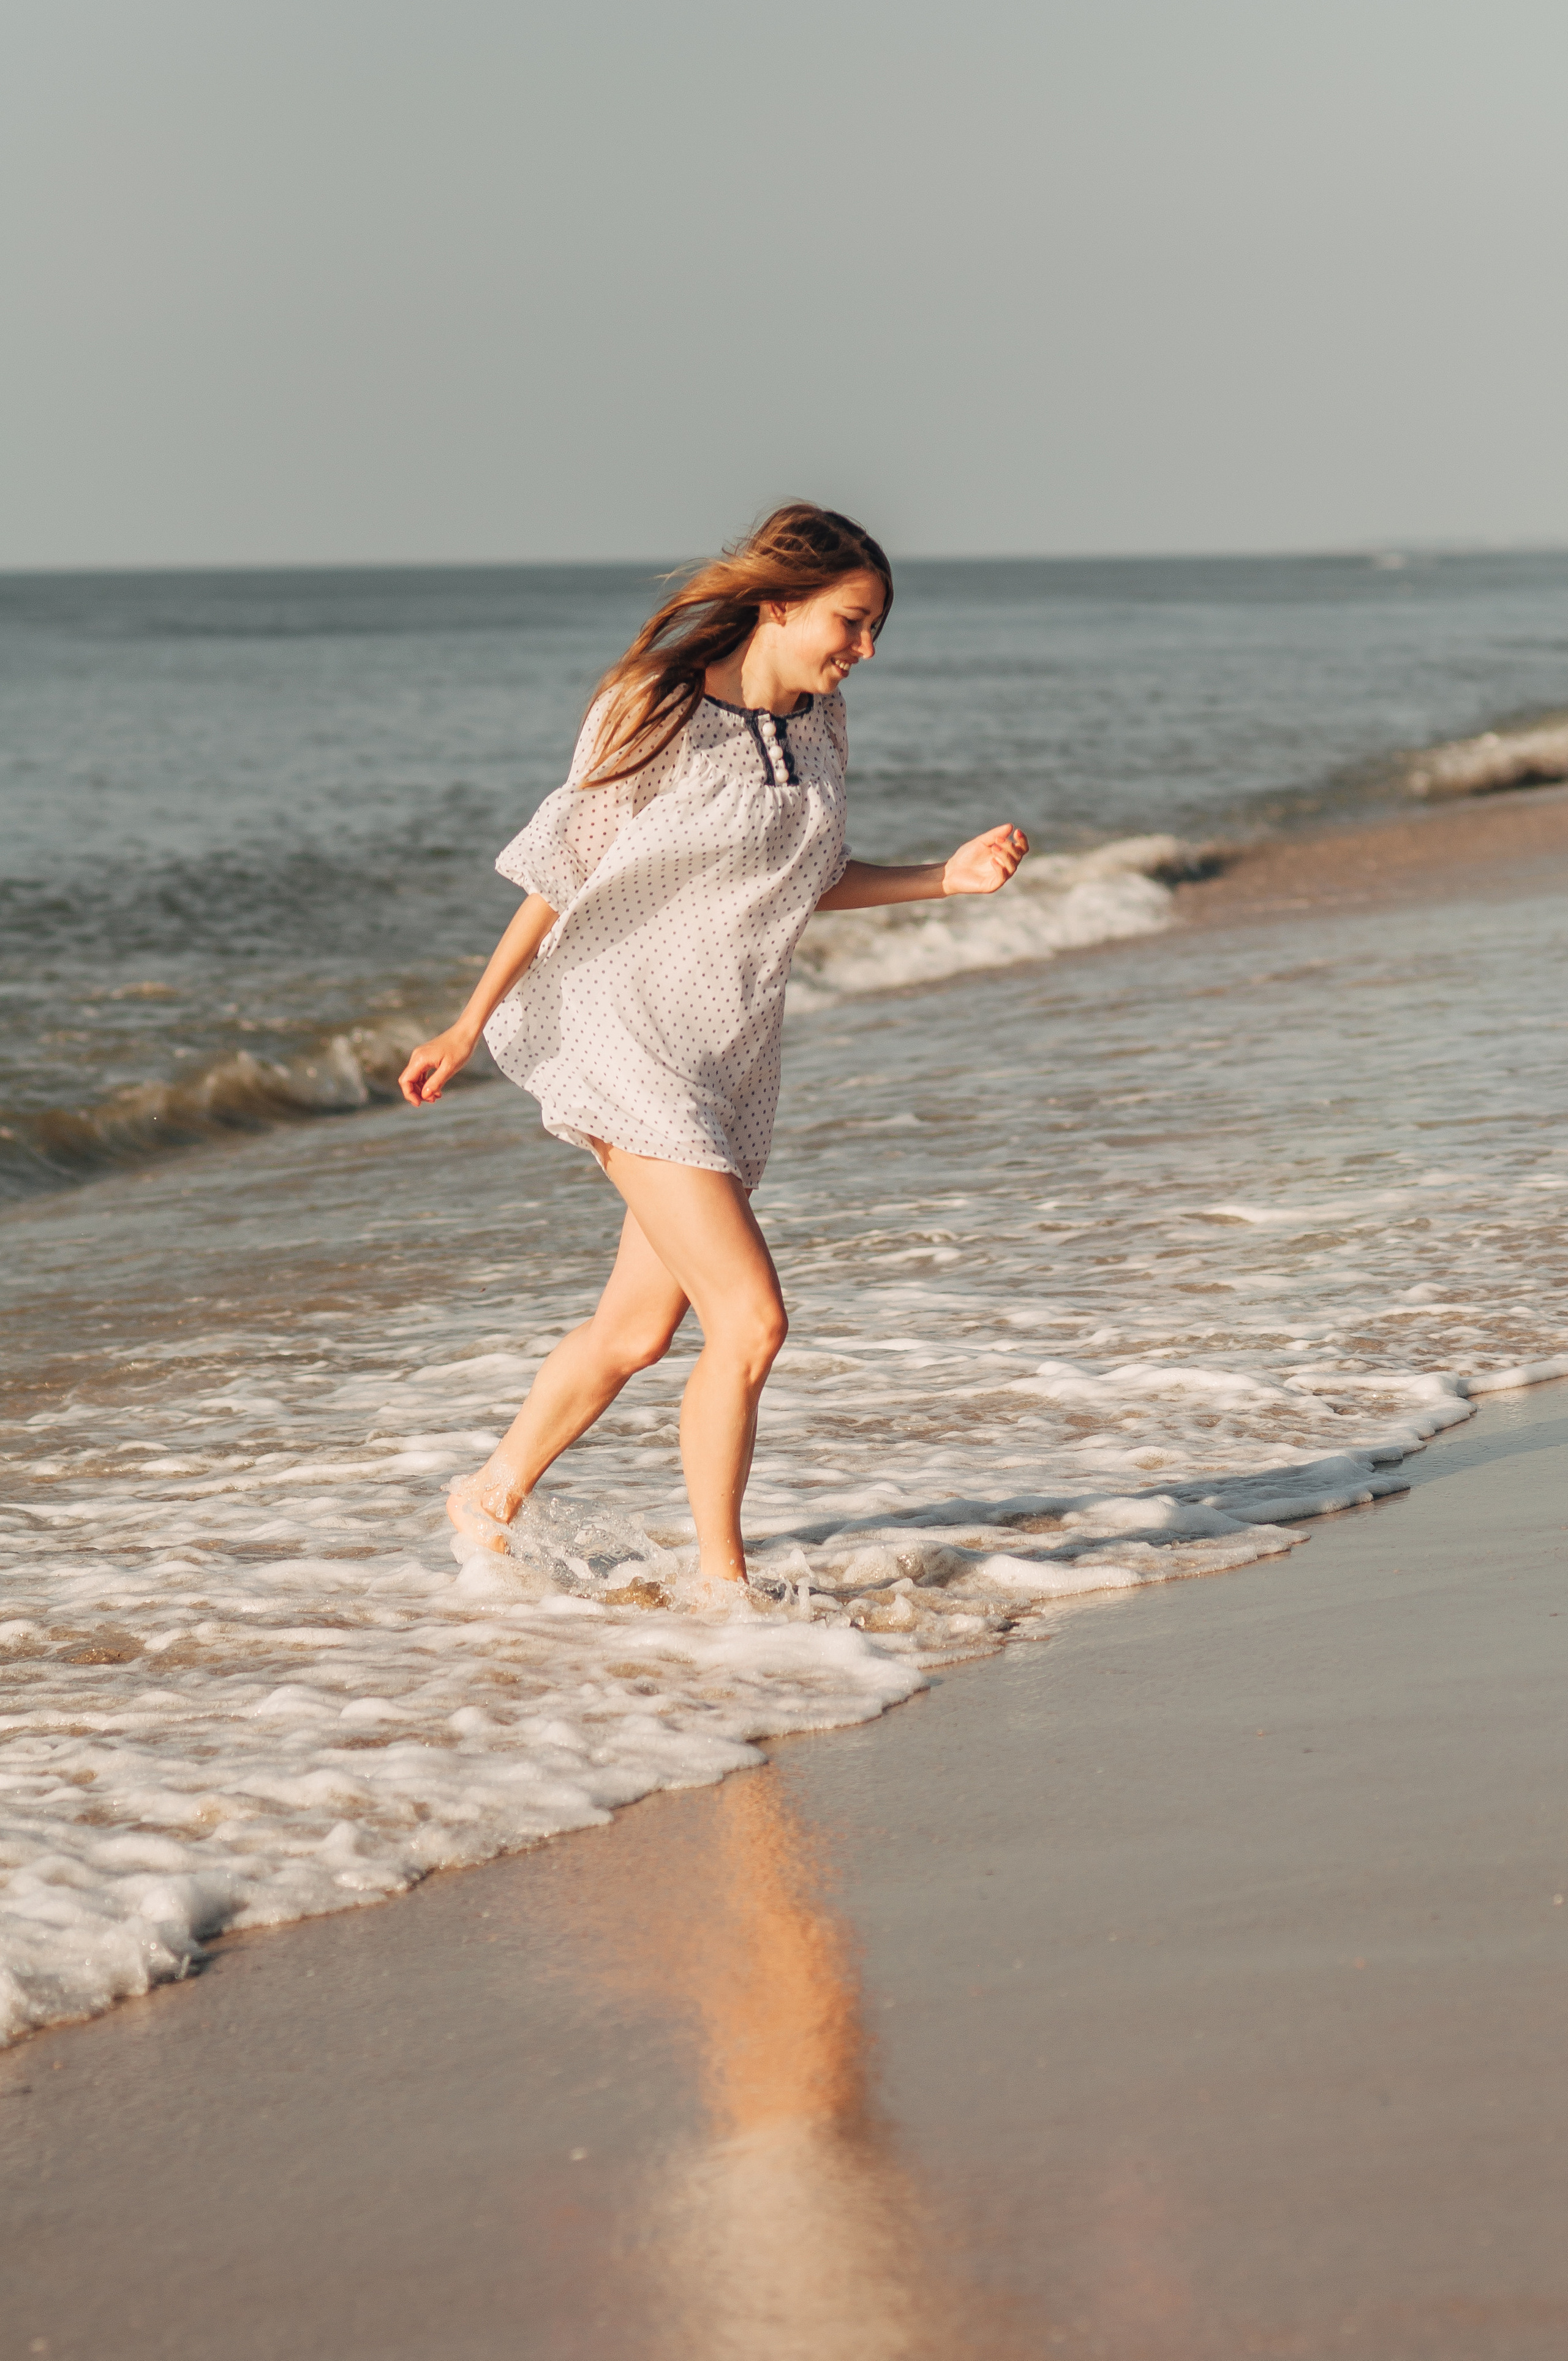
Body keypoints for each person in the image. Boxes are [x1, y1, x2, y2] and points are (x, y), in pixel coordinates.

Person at [398, 503, 1027, 1592]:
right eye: (850, 621)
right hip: (625, 1035)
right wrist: (466, 1020)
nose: (865, 649)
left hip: (729, 1052)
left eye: (876, 628)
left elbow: (808, 876)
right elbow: (559, 874)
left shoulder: (821, 724)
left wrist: (945, 878)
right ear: (779, 605)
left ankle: (489, 1495)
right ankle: (724, 1588)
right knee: (752, 1319)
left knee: (636, 1332)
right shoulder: (655, 705)